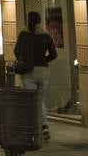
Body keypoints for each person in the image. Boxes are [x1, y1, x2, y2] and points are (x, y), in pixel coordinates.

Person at [14, 10, 58, 140]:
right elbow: (54, 54)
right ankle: (44, 126)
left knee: (31, 102)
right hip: (43, 72)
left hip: (28, 72)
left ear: (28, 20)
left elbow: (16, 51)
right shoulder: (45, 35)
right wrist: (44, 60)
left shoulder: (24, 34)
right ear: (40, 21)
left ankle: (33, 128)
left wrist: (24, 59)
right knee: (41, 101)